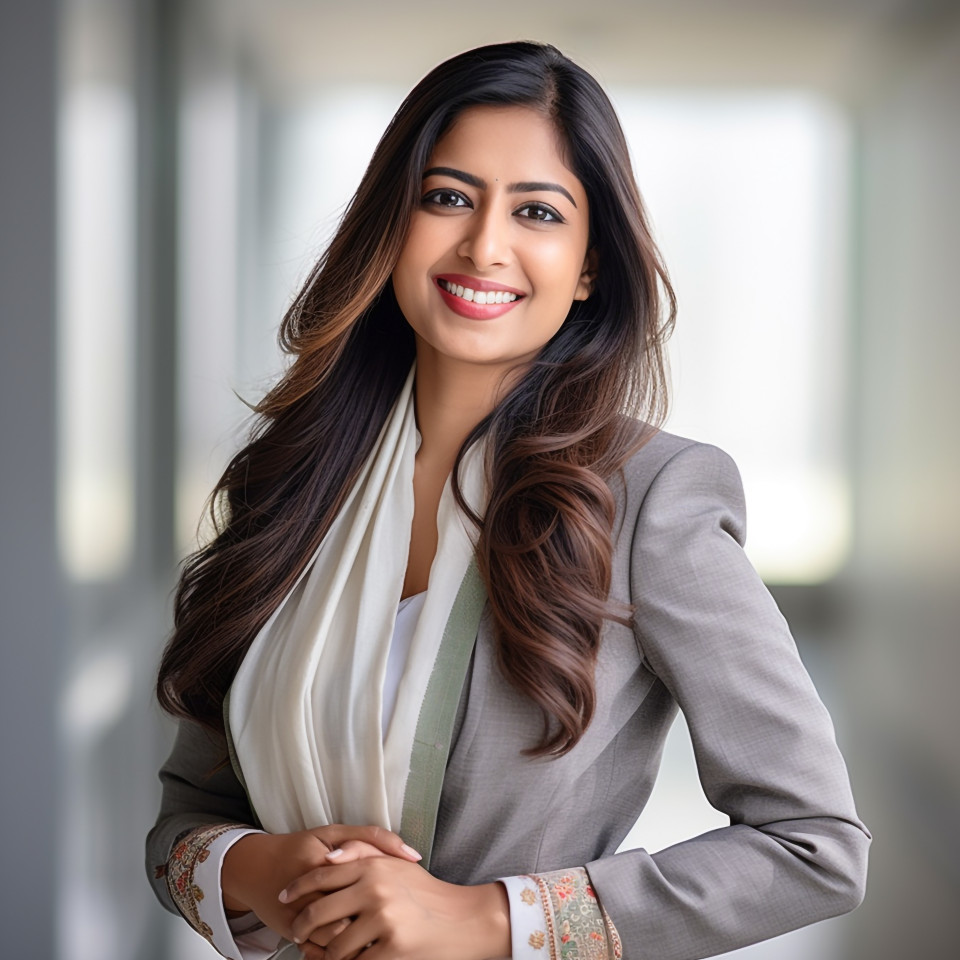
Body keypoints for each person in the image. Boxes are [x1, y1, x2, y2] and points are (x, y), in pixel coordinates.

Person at [146, 41, 870, 960]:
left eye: (536, 211)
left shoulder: (649, 496)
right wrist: (262, 868)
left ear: (590, 265)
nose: (484, 245)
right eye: (447, 197)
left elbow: (815, 849)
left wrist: (488, 918)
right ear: (391, 224)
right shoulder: (290, 481)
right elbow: (183, 823)